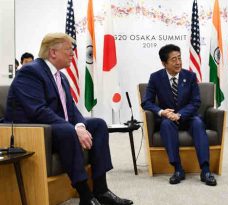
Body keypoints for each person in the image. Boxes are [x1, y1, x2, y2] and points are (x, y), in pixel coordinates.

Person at [4, 33, 132, 205]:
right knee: (67, 130)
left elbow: (70, 109)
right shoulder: (30, 71)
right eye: (69, 50)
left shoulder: (60, 76)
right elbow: (38, 111)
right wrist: (73, 129)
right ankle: (85, 196)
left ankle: (101, 190)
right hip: (31, 130)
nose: (73, 54)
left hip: (53, 127)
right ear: (53, 52)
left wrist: (79, 125)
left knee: (98, 124)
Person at [141, 44, 217, 186]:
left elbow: (196, 102)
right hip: (168, 118)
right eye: (173, 59)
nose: (178, 62)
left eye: (179, 58)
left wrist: (180, 114)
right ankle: (178, 169)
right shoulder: (156, 77)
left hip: (188, 117)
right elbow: (146, 102)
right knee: (165, 124)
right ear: (164, 63)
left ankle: (205, 170)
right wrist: (162, 112)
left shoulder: (190, 76)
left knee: (198, 123)